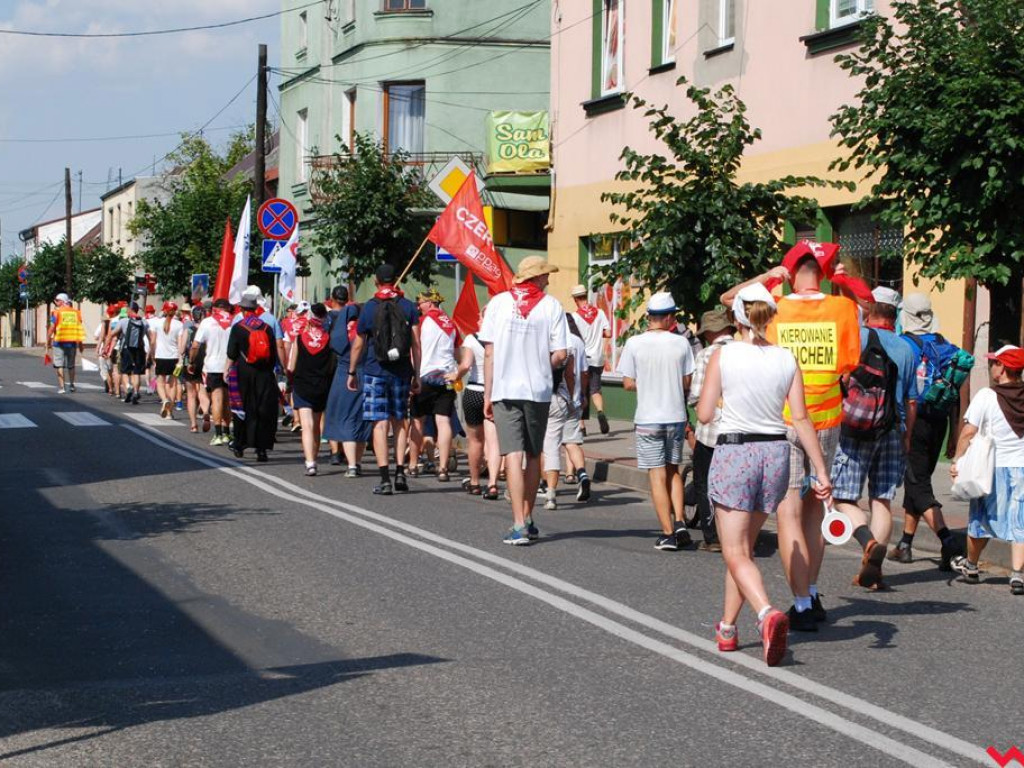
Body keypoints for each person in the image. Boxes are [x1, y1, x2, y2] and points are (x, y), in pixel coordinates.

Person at [722, 242, 860, 626]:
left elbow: (730, 299)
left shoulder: (777, 304)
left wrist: (767, 277)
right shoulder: (841, 308)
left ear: (792, 268)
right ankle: (812, 594)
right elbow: (849, 361)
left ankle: (799, 604)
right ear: (824, 270)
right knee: (817, 509)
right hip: (828, 420)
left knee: (788, 514)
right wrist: (844, 284)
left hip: (783, 419)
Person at [698, 283, 832, 667]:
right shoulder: (787, 359)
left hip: (737, 451)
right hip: (777, 453)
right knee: (743, 549)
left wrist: (724, 399)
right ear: (769, 316)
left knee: (735, 550)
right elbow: (801, 419)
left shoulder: (724, 355)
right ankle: (727, 627)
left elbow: (705, 414)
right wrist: (820, 471)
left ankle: (765, 614)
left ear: (738, 316)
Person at [828, 287, 918, 600]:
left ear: (870, 309)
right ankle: (874, 573)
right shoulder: (907, 349)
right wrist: (906, 436)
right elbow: (911, 400)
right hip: (893, 429)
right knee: (882, 499)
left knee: (843, 498)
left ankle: (867, 542)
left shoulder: (859, 337)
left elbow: (839, 379)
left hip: (856, 428)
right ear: (895, 314)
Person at [481, 256, 568, 545]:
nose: (548, 280)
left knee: (512, 455)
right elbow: (561, 354)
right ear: (536, 277)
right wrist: (542, 362)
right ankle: (528, 517)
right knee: (532, 455)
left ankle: (518, 523)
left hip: (505, 389)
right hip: (538, 391)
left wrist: (488, 392)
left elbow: (490, 353)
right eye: (545, 275)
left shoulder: (498, 303)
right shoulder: (551, 305)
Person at [889, 292, 966, 569]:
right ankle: (905, 544)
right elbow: (954, 392)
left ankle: (950, 543)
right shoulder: (946, 345)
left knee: (918, 484)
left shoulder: (902, 346)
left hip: (914, 420)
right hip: (940, 422)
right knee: (918, 479)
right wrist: (954, 435)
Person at [616, 292, 696, 551]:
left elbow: (627, 383)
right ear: (671, 317)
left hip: (649, 418)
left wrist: (647, 382)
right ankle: (681, 521)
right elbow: (687, 382)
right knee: (673, 470)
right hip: (675, 416)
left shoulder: (634, 343)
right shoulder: (681, 344)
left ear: (649, 317)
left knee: (656, 474)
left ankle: (667, 532)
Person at [950, 345, 1024, 595]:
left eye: (994, 362)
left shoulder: (986, 396)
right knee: (1020, 523)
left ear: (1002, 367)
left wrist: (957, 461)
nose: (991, 366)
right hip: (1022, 467)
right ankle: (1017, 575)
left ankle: (970, 565)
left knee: (981, 520)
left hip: (993, 470)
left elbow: (968, 433)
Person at [348, 264, 421, 495]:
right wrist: (416, 374)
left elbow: (359, 343)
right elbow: (416, 344)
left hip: (374, 371)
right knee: (400, 421)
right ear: (396, 280)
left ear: (377, 281)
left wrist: (352, 372)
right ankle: (401, 471)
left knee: (379, 424)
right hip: (401, 372)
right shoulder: (409, 306)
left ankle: (385, 478)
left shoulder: (369, 308)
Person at [688, 307, 737, 552]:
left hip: (711, 432)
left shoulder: (707, 355)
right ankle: (738, 533)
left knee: (705, 481)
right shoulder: (746, 352)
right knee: (735, 482)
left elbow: (696, 395)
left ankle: (713, 536)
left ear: (709, 333)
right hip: (742, 430)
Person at [409, 288, 459, 482]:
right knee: (443, 421)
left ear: (429, 303)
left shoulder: (421, 322)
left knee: (417, 420)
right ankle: (443, 468)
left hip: (425, 375)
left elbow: (415, 348)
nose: (419, 307)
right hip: (446, 377)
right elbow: (457, 351)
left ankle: (413, 464)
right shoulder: (451, 324)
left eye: (421, 303)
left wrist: (413, 376)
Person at [542, 314, 591, 510]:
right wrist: (575, 397)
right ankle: (580, 475)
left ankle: (546, 489)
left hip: (540, 398)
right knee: (570, 442)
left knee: (544, 447)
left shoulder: (541, 340)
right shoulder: (572, 343)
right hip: (565, 399)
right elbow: (574, 374)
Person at [323, 286, 371, 476]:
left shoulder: (341, 332)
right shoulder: (366, 329)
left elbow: (335, 345)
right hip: (367, 374)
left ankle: (351, 465)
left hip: (345, 375)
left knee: (346, 418)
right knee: (362, 420)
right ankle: (357, 462)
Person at [226, 295, 279, 462]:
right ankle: (261, 449)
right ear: (256, 309)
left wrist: (227, 369)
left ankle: (240, 443)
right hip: (264, 373)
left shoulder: (238, 327)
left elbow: (231, 353)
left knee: (243, 408)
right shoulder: (266, 328)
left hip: (244, 371)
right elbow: (273, 356)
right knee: (263, 410)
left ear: (242, 310)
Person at [455, 311, 501, 498]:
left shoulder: (471, 339)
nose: (477, 320)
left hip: (474, 391)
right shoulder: (502, 339)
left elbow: (465, 365)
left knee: (475, 441)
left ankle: (474, 482)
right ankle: (492, 484)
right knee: (493, 441)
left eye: (480, 317)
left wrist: (455, 375)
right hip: (496, 393)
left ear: (485, 320)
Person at [287, 303, 334, 476]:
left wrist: (289, 382)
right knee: (315, 426)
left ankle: (310, 462)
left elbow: (291, 365)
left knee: (307, 425)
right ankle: (313, 456)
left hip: (302, 384)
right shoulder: (329, 339)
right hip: (321, 385)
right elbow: (331, 365)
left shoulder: (300, 338)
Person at [570, 284, 612, 434]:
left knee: (579, 391)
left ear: (575, 299)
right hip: (597, 358)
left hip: (582, 358)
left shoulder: (575, 317)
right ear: (586, 296)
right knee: (595, 390)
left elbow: (574, 338)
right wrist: (596, 335)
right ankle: (600, 412)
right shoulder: (600, 313)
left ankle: (581, 426)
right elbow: (608, 333)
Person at [192, 298, 234, 446]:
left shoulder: (207, 322)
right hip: (230, 366)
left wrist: (191, 361)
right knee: (227, 400)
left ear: (215, 308)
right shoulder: (233, 322)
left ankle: (217, 434)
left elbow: (196, 345)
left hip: (213, 366)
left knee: (216, 399)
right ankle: (227, 433)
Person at [149, 301, 185, 419]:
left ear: (164, 310)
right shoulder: (179, 324)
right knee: (172, 384)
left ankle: (164, 400)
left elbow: (153, 341)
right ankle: (169, 412)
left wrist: (152, 354)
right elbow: (180, 345)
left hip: (160, 356)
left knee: (160, 383)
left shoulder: (157, 323)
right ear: (175, 311)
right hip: (174, 357)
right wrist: (181, 358)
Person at [109, 302, 149, 404]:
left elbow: (113, 333)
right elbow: (150, 337)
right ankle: (136, 392)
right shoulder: (144, 322)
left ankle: (128, 386)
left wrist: (108, 341)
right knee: (137, 373)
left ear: (130, 310)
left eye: (127, 310)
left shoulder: (123, 321)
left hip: (126, 349)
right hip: (139, 349)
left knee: (125, 371)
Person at [46, 293, 86, 394]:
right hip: (72, 342)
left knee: (59, 365)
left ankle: (62, 387)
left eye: (57, 300)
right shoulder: (76, 313)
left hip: (59, 341)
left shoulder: (56, 312)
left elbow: (52, 327)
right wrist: (80, 344)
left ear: (63, 301)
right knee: (71, 365)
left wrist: (48, 340)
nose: (55, 302)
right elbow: (79, 329)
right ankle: (72, 385)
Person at [182, 305, 211, 432]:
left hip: (191, 362)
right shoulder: (208, 329)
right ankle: (205, 411)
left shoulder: (188, 330)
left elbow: (182, 348)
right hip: (205, 362)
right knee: (203, 392)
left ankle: (193, 424)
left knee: (191, 394)